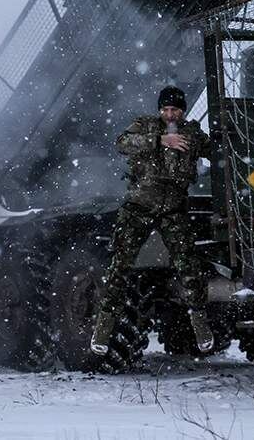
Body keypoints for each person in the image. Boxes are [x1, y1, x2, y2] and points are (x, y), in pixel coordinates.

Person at [90, 85, 215, 355]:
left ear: (182, 111)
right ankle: (103, 329)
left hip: (173, 210)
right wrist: (159, 140)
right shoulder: (145, 126)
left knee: (189, 267)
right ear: (160, 110)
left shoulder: (191, 133)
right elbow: (121, 142)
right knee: (120, 266)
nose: (170, 115)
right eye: (166, 109)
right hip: (140, 207)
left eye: (175, 110)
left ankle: (200, 325)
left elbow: (216, 150)